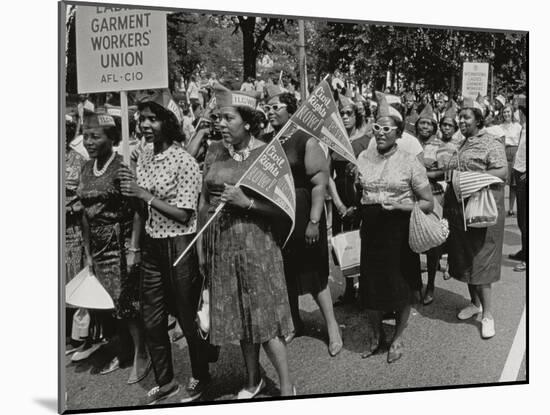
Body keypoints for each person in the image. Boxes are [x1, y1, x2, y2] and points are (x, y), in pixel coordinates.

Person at [118, 89, 215, 405]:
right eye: (142, 118)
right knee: (151, 318)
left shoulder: (185, 161)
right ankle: (166, 381)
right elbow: (141, 207)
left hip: (180, 245)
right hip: (152, 245)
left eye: (153, 118)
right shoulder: (143, 155)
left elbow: (185, 212)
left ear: (168, 122)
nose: (145, 124)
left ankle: (201, 376)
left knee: (188, 317)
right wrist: (130, 189)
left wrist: (143, 195)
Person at [197, 83, 295, 398]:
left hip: (258, 248)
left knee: (264, 321)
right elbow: (203, 203)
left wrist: (247, 203)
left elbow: (284, 209)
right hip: (221, 247)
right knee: (241, 317)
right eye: (218, 118)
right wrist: (202, 249)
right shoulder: (213, 151)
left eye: (228, 118)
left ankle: (288, 386)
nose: (221, 124)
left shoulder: (266, 154)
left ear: (247, 121)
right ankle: (253, 380)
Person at [261, 86, 343, 356]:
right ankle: (294, 321)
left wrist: (314, 221)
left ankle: (332, 327)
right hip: (278, 216)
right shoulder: (267, 140)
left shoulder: (304, 140)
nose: (270, 112)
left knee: (314, 274)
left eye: (276, 107)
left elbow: (319, 183)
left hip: (304, 212)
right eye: (268, 107)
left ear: (290, 110)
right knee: (286, 273)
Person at [355, 92, 433, 363]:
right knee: (371, 286)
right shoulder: (364, 157)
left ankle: (397, 337)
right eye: (377, 127)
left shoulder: (410, 161)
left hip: (399, 232)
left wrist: (401, 207)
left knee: (401, 286)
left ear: (399, 133)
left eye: (387, 128)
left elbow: (427, 203)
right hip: (372, 230)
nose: (380, 133)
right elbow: (359, 190)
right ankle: (377, 335)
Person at [76, 111, 149, 383]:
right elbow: (84, 211)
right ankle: (124, 349)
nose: (89, 141)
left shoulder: (123, 167)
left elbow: (138, 210)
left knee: (126, 303)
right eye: (86, 136)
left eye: (95, 136)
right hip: (96, 245)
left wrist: (133, 248)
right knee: (109, 303)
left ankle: (142, 354)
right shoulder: (86, 167)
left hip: (120, 243)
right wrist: (87, 252)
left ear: (112, 138)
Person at [442, 97, 507, 339]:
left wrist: (473, 178)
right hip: (461, 211)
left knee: (481, 261)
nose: (461, 121)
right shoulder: (462, 142)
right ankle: (474, 303)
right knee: (466, 258)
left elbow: (502, 172)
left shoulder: (491, 142)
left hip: (483, 209)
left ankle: (488, 315)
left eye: (466, 117)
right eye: (460, 117)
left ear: (478, 120)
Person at [329, 95, 372, 305]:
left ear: (357, 115)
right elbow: (327, 174)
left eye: (348, 113)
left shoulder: (367, 141)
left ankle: (364, 288)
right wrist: (338, 204)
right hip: (340, 196)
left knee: (362, 242)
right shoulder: (333, 140)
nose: (344, 117)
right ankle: (348, 289)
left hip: (361, 197)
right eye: (341, 113)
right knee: (342, 242)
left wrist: (357, 204)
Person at [414, 103, 446, 305]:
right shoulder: (409, 142)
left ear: (434, 127)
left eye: (429, 124)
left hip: (434, 195)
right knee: (412, 240)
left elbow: (443, 170)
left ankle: (431, 285)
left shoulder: (440, 144)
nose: (425, 126)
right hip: (412, 195)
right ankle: (416, 284)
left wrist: (421, 172)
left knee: (432, 242)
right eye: (422, 123)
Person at [65, 116, 87, 354]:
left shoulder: (77, 161)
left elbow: (84, 198)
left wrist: (70, 209)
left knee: (75, 279)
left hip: (73, 229)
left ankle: (80, 336)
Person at [509, 112, 527, 271]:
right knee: (522, 218)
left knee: (527, 219)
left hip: (526, 175)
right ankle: (525, 251)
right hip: (519, 171)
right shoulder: (524, 127)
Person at [499, 104, 522, 216]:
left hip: (515, 153)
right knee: (502, 182)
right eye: (504, 112)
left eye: (508, 112)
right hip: (503, 152)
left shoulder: (517, 126)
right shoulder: (500, 127)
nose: (506, 114)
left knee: (513, 184)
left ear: (512, 113)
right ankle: (501, 207)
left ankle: (511, 208)